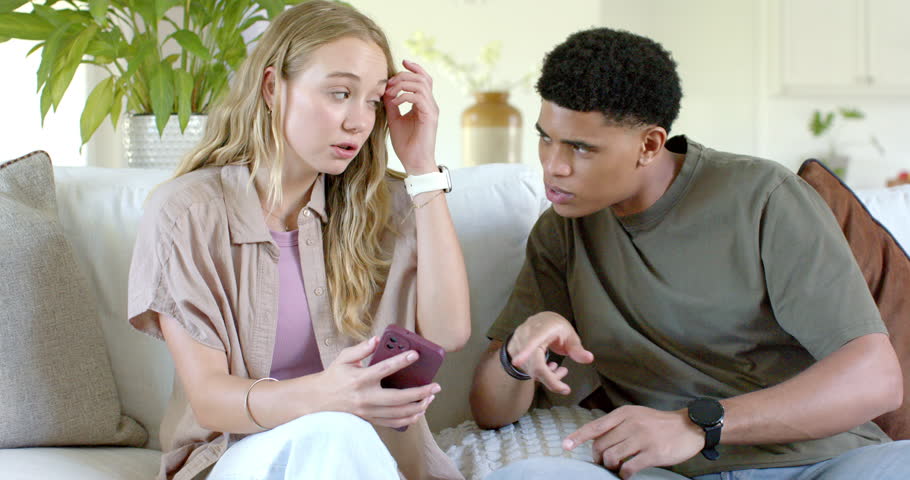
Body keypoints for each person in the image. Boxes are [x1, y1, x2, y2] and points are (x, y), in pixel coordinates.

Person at [469, 27, 909, 480]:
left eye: (580, 147)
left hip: (823, 463)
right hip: (672, 474)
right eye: (547, 138)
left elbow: (875, 379)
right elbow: (491, 413)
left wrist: (698, 424)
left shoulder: (763, 197)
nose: (553, 166)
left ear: (650, 145)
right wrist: (515, 356)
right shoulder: (562, 231)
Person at [127, 2, 470, 479]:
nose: (359, 121)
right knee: (335, 432)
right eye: (339, 93)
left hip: (370, 459)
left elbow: (449, 333)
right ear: (272, 87)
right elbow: (209, 399)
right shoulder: (188, 213)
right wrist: (328, 397)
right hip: (238, 457)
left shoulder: (387, 203)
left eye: (372, 101)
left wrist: (422, 168)